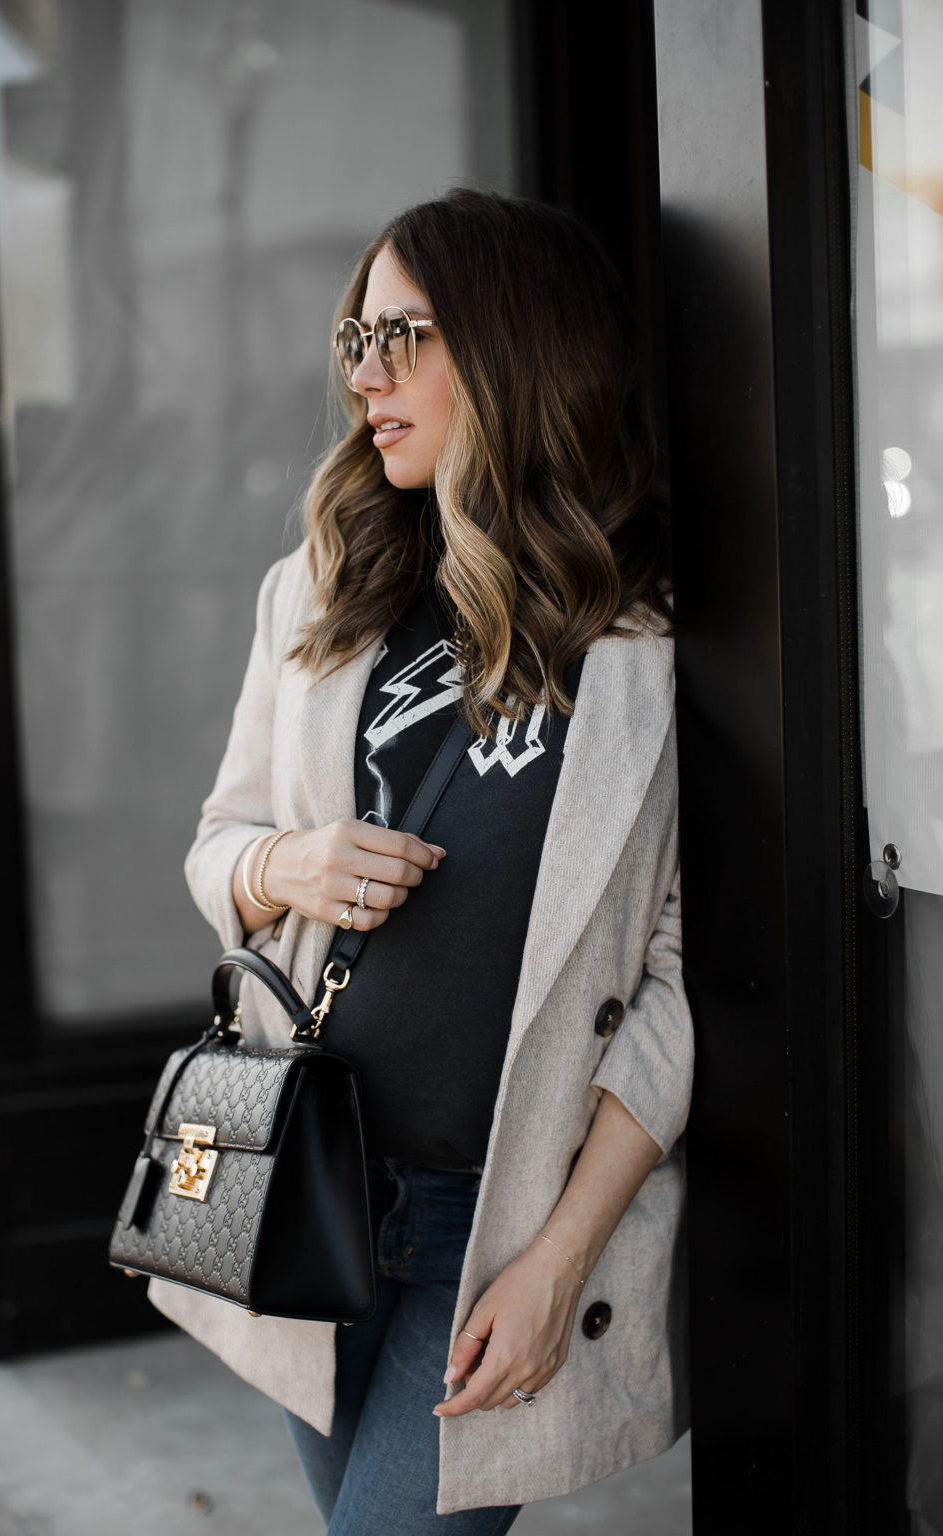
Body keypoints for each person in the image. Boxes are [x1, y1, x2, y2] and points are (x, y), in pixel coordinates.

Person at [148, 189, 693, 1534]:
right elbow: (217, 849)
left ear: (512, 353)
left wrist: (559, 1260)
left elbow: (678, 987)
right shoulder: (319, 591)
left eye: (406, 334)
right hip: (305, 1177)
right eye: (355, 335)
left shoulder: (646, 651)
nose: (364, 373)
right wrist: (294, 863)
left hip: (487, 1221)